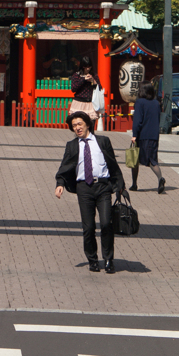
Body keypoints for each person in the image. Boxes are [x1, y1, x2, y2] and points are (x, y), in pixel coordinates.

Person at [55, 110, 125, 274]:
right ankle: (93, 260)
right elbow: (64, 166)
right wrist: (60, 184)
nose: (77, 128)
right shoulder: (72, 146)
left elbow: (113, 164)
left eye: (79, 124)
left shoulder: (103, 141)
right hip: (83, 188)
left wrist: (120, 185)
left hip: (103, 187)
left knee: (107, 223)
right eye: (74, 126)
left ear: (87, 124)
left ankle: (108, 259)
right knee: (88, 227)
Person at [131, 82, 166, 194]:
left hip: (142, 135)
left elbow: (137, 121)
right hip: (154, 136)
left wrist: (134, 134)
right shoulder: (156, 103)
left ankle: (135, 183)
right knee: (152, 158)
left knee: (135, 159)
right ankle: (159, 178)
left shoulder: (140, 102)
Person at [69, 55, 99, 120]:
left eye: (89, 66)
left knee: (91, 126)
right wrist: (83, 79)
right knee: (79, 124)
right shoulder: (76, 75)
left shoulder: (94, 75)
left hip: (91, 103)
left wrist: (93, 81)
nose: (88, 69)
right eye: (86, 67)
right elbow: (73, 89)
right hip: (79, 102)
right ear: (82, 66)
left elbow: (100, 89)